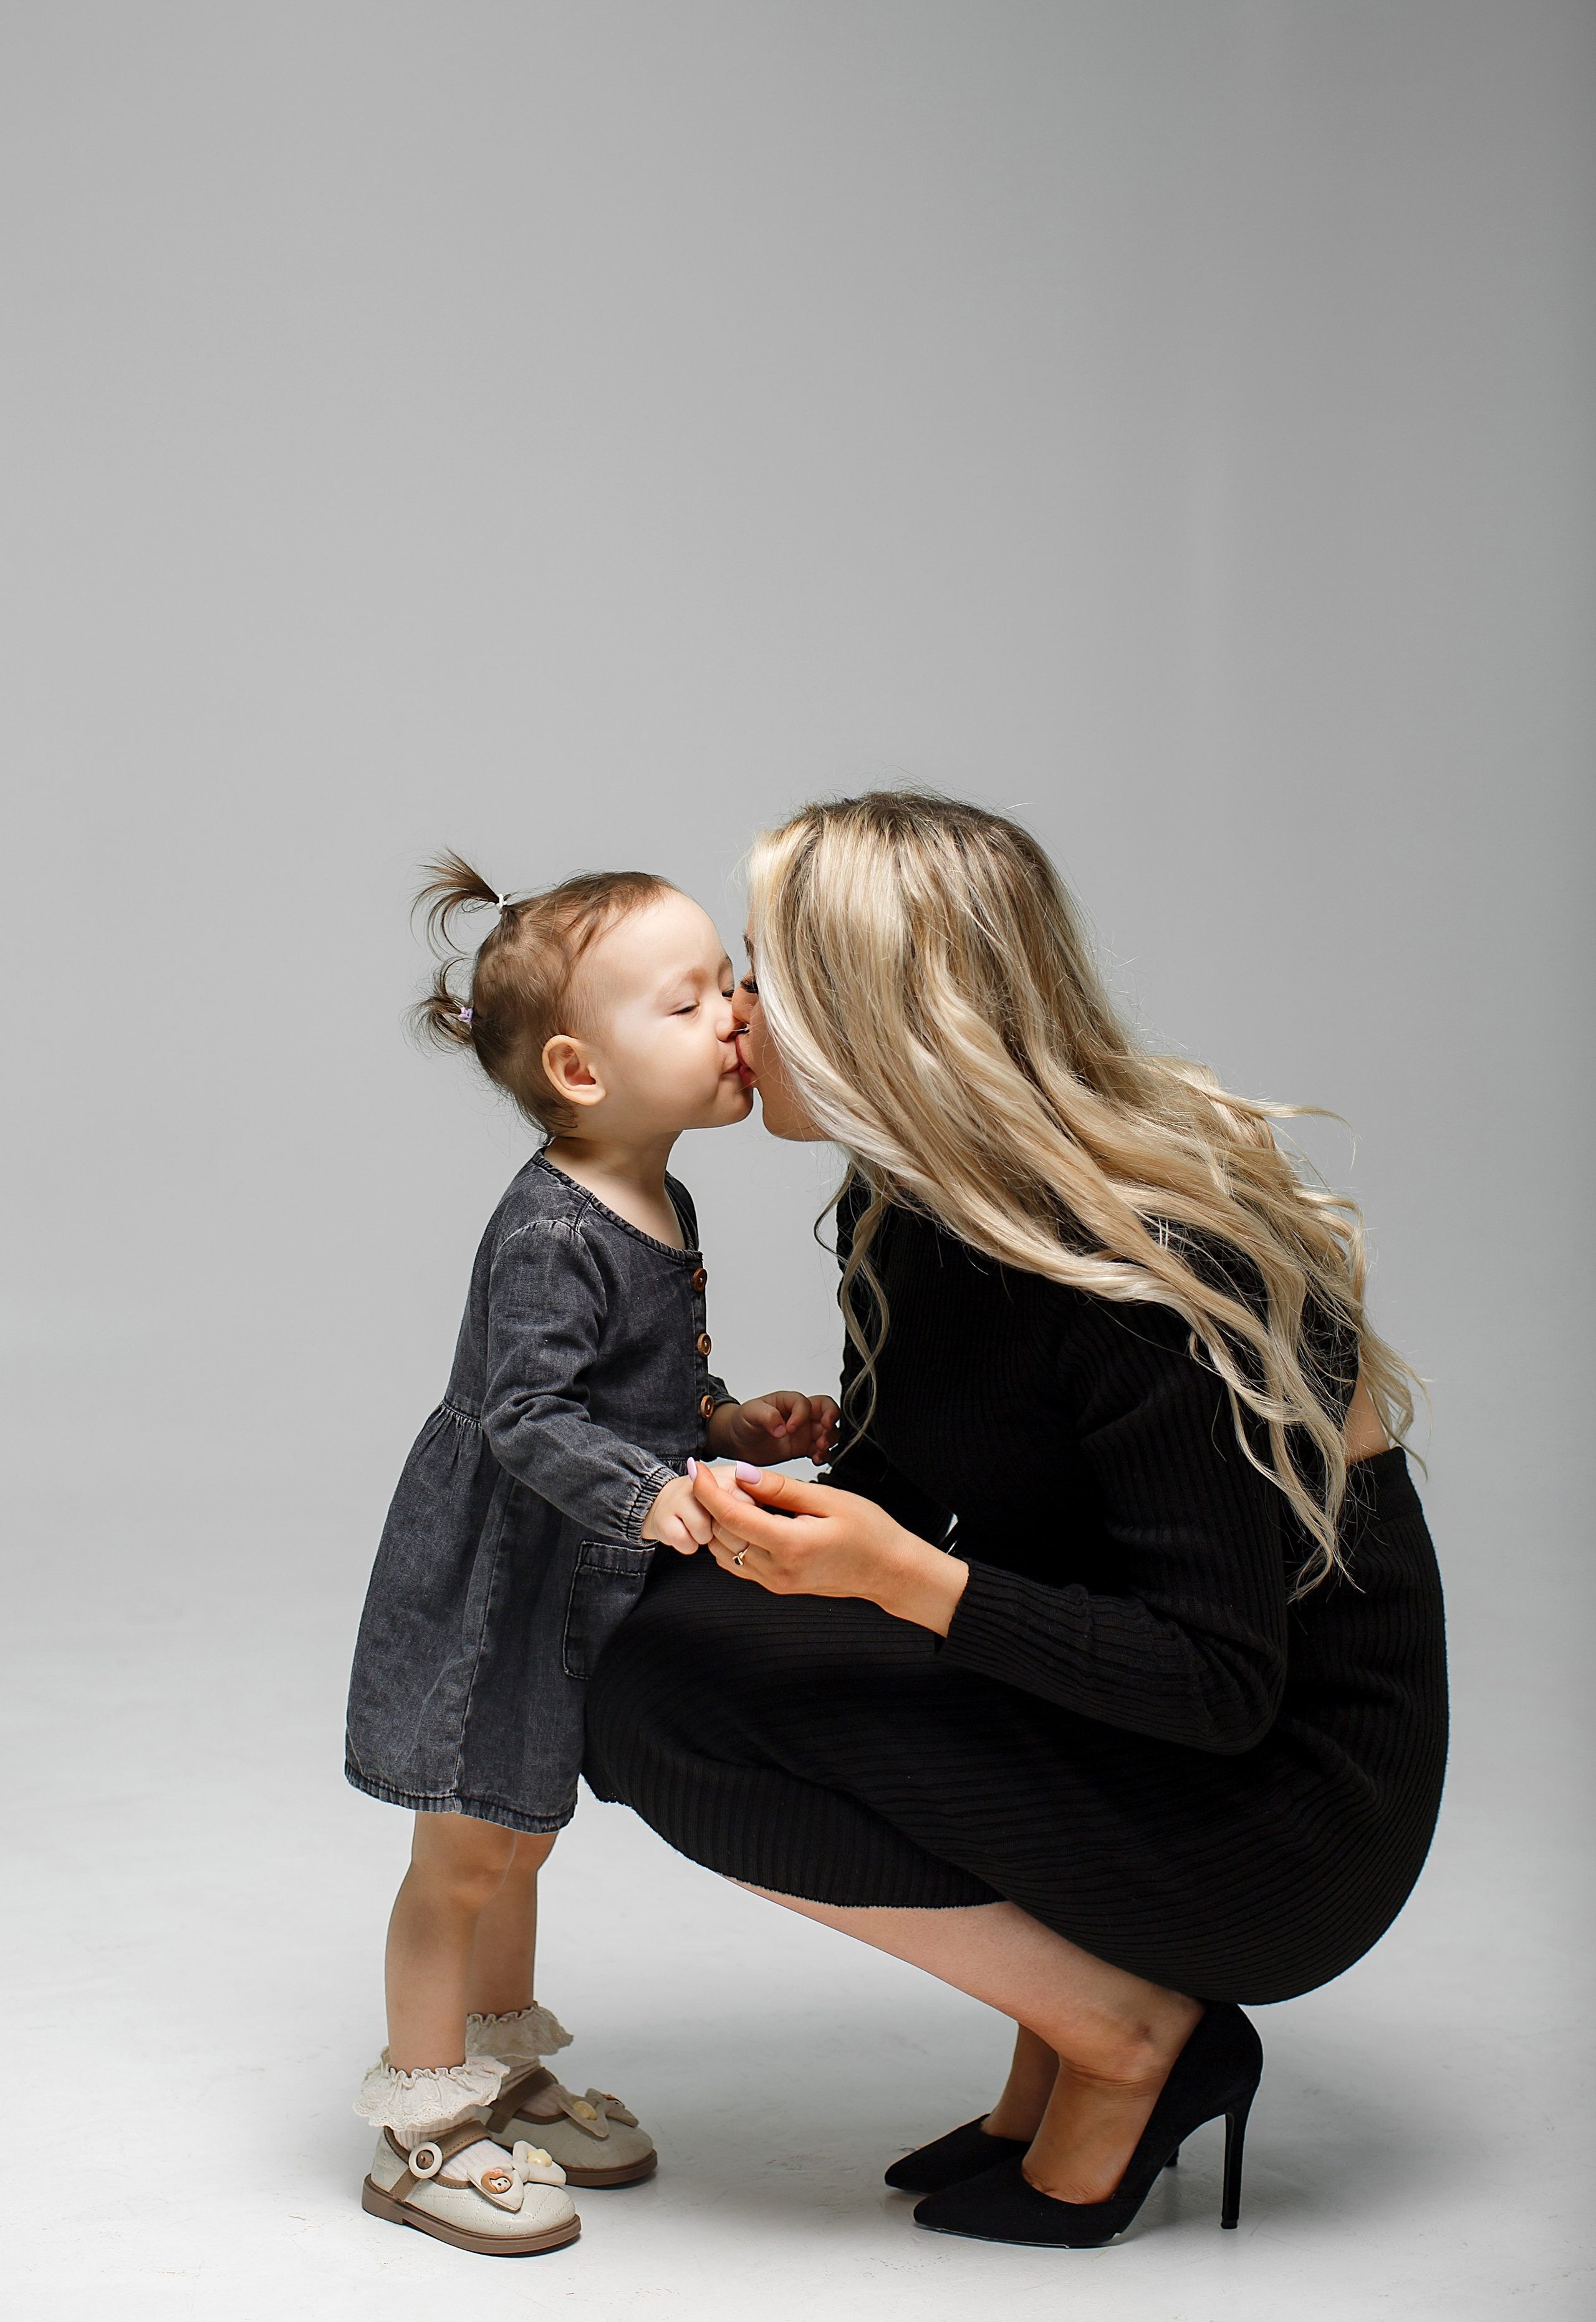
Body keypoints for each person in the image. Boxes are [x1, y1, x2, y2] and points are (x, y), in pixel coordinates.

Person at [584, 789, 1448, 2251]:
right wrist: (795, 1487)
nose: (733, 1013)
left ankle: (1127, 2036)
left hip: (1279, 1822)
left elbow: (1217, 1683)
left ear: (869, 1016)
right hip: (1145, 1733)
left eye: (761, 976)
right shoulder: (913, 1206)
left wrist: (901, 1577)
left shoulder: (1152, 1269)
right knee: (663, 1647)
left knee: (670, 1701)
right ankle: (1056, 2044)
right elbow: (966, 1489)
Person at [344, 855, 838, 2258]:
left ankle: (497, 2069)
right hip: (500, 1579)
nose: (736, 1015)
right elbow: (527, 1416)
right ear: (578, 1068)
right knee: (461, 1851)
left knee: (525, 1841)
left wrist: (725, 1423)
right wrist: (657, 1496)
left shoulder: (656, 1196)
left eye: (726, 986)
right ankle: (419, 2130)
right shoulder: (553, 1225)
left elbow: (632, 1386)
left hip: (572, 1569)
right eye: (690, 1002)